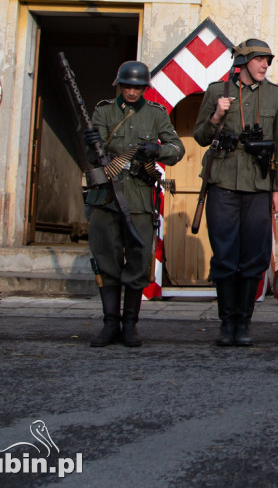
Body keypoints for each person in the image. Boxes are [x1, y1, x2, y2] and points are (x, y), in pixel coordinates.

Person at [193, 39, 278, 347]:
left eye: (267, 61)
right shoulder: (216, 92)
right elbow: (200, 137)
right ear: (243, 62)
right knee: (224, 255)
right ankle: (227, 323)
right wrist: (217, 117)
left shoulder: (275, 95)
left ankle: (244, 322)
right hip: (222, 183)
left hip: (259, 185)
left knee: (253, 256)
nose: (265, 65)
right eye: (260, 60)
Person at [85, 61, 184, 348]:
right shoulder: (104, 111)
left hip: (139, 199)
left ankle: (130, 325)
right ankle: (109, 323)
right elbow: (95, 158)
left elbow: (177, 148)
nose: (131, 91)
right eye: (127, 86)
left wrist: (158, 149)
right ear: (120, 85)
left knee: (138, 262)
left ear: (144, 89)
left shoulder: (155, 114)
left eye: (137, 87)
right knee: (106, 261)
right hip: (105, 199)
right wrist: (89, 142)